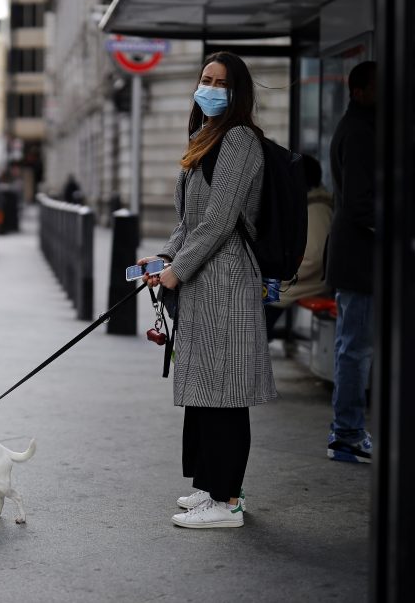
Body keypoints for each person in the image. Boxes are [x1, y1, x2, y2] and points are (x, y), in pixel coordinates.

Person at [138, 51, 276, 529]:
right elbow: (189, 221)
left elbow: (219, 222)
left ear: (238, 92)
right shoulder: (205, 139)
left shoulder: (239, 140)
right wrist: (163, 259)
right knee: (204, 391)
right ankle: (209, 487)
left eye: (220, 82)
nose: (210, 88)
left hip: (228, 282)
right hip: (204, 280)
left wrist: (178, 269)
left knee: (225, 392)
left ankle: (228, 502)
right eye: (205, 79)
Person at [324, 61, 377, 464]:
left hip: (354, 254)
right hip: (359, 256)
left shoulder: (357, 126)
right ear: (359, 91)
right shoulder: (360, 132)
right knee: (354, 349)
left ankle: (348, 430)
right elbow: (361, 205)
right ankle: (347, 434)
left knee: (353, 346)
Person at [264, 154, 333, 340]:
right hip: (298, 281)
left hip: (305, 284)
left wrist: (279, 274)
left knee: (260, 302)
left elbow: (313, 258)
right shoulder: (309, 205)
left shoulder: (316, 210)